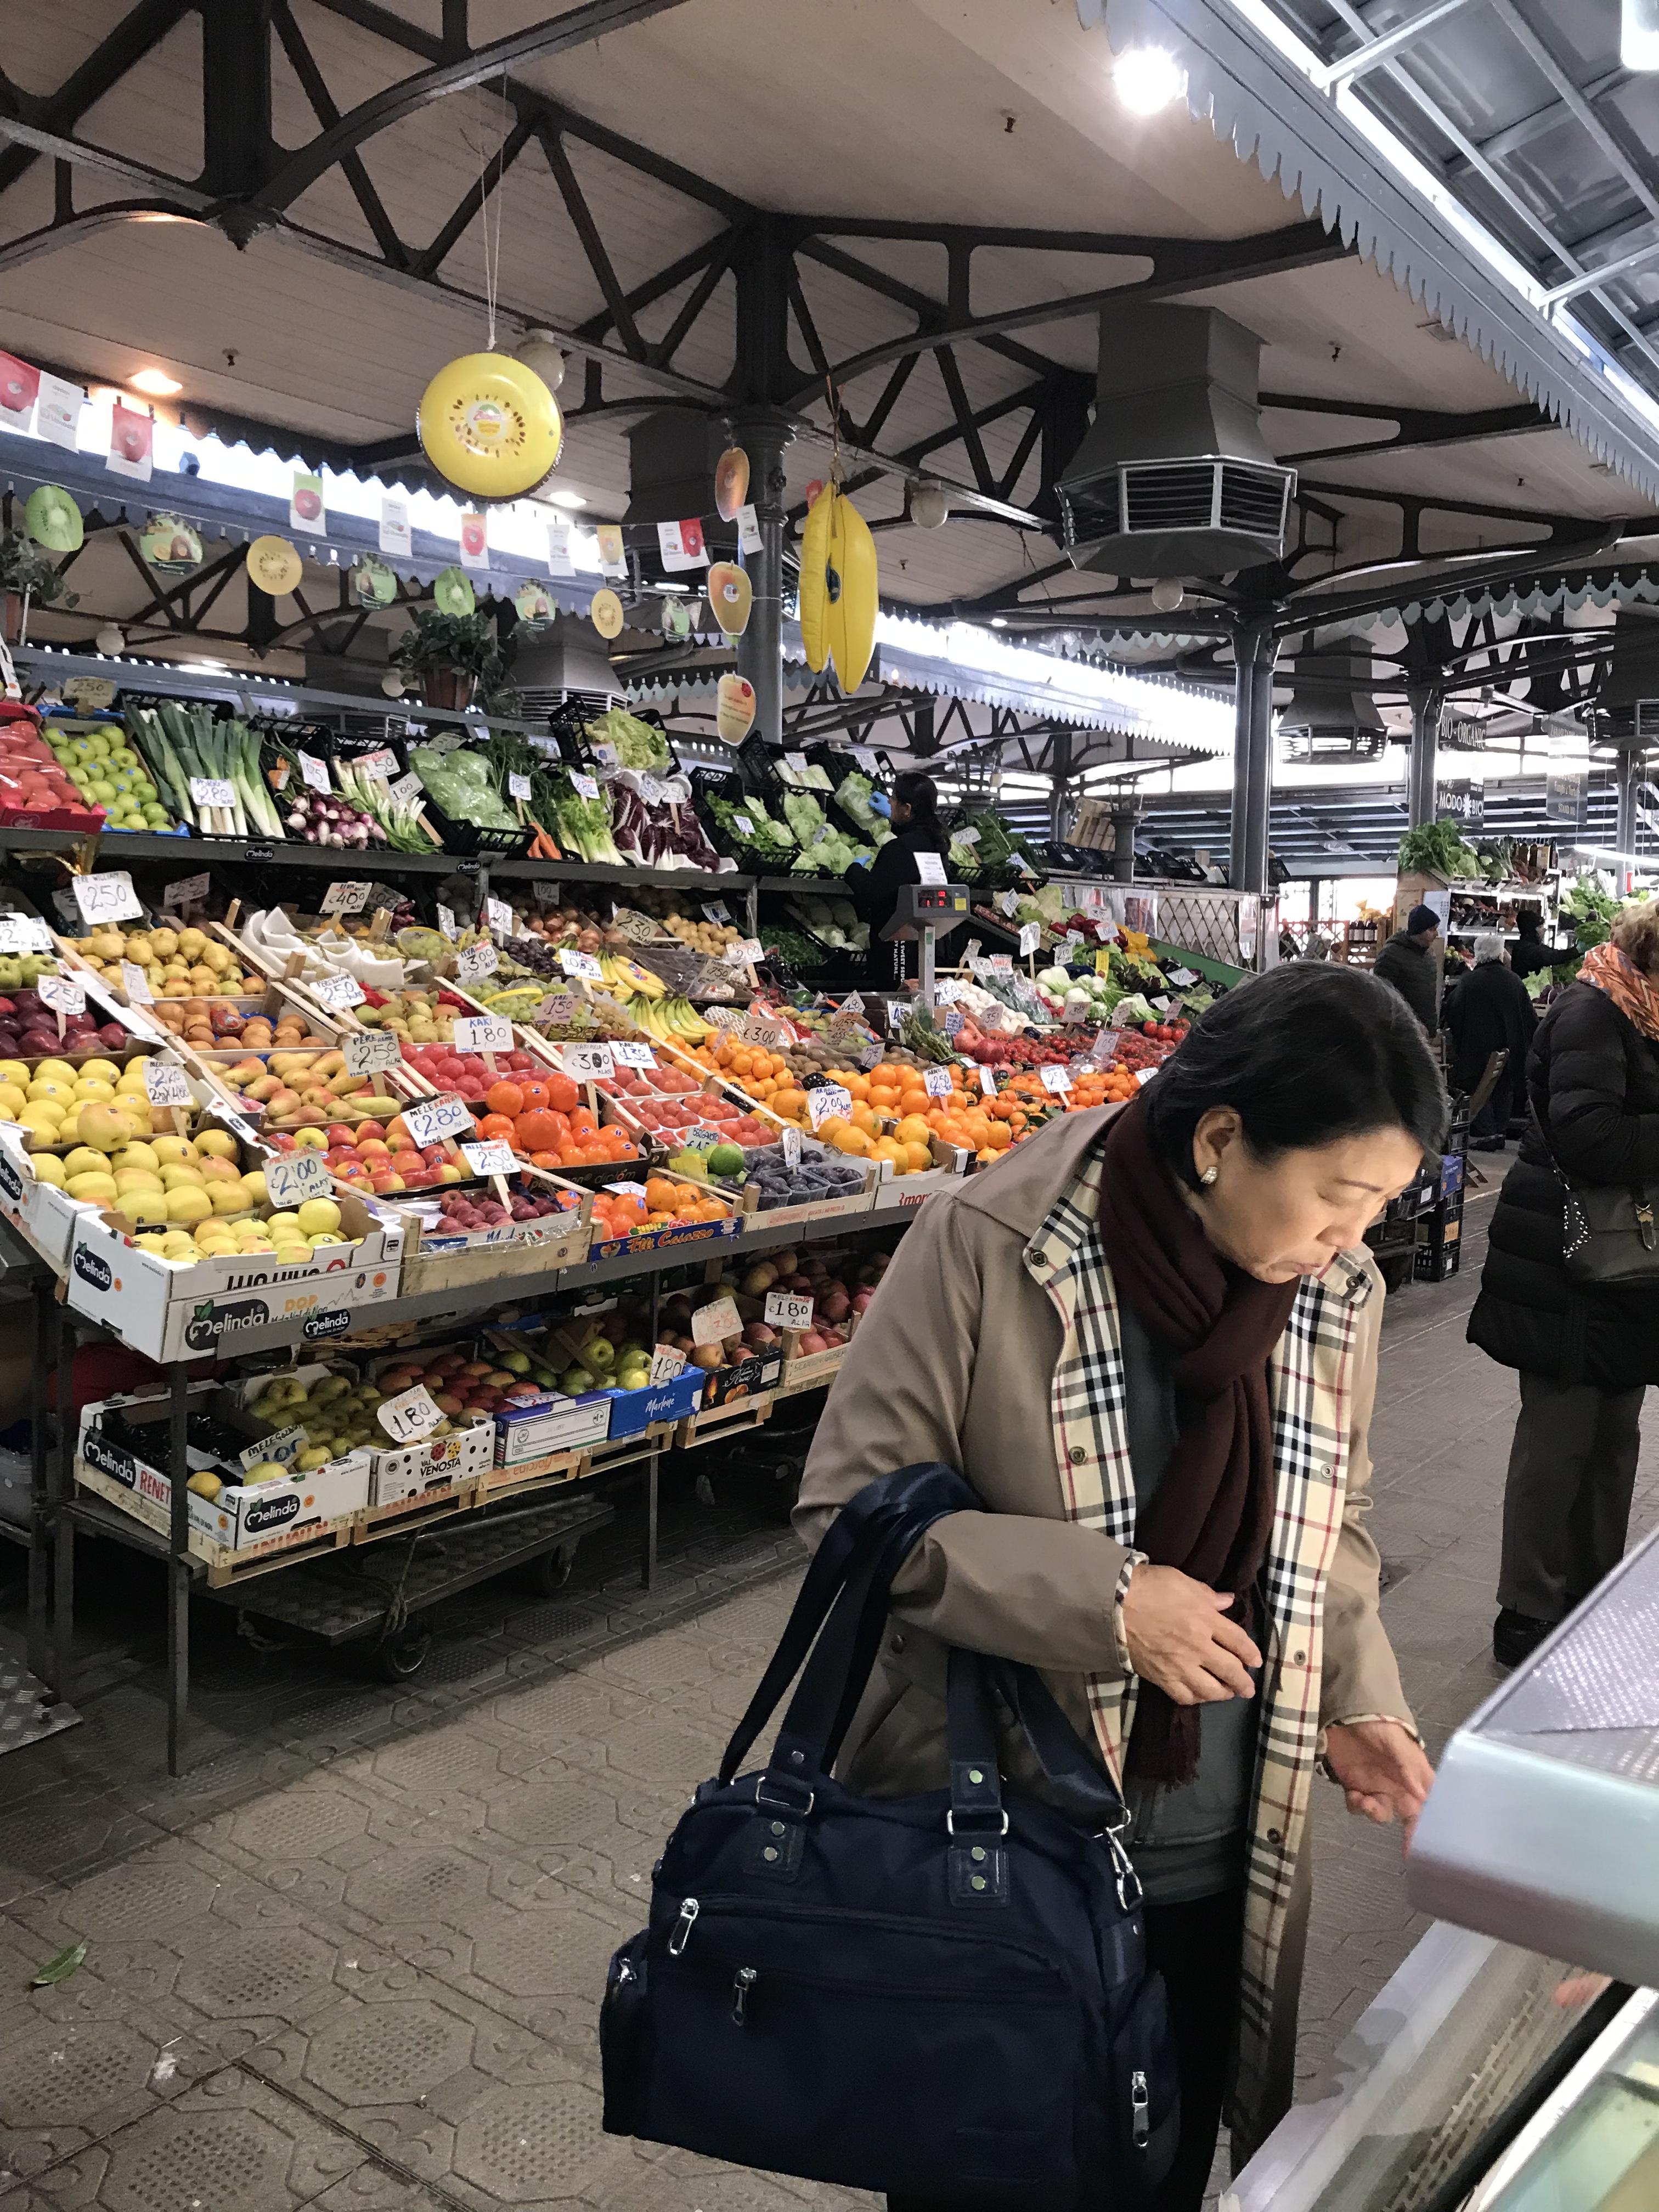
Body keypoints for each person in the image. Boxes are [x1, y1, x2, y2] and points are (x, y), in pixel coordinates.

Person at [795, 963, 1443, 2211]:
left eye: (1375, 1206)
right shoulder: (992, 1242)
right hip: (997, 1833)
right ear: (1219, 1140)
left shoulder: (1329, 1291)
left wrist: (1357, 1695)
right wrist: (1103, 1601)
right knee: (980, 2167)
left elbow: (1334, 1520)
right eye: (1338, 1197)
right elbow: (850, 1510)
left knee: (1160, 2164)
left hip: (1223, 1850)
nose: (1352, 1239)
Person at [1469, 902, 1659, 1669]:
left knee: (1614, 1438)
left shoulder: (1646, 1013)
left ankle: (1588, 1593)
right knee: (1558, 1440)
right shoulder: (1594, 1009)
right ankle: (1528, 1610)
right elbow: (1590, 1136)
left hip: (1627, 1261)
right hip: (1568, 1259)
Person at [843, 771, 950, 988]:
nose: (889, 801)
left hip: (898, 950)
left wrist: (855, 870)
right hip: (929, 945)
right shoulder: (939, 845)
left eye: (894, 798)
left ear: (907, 809)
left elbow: (871, 893)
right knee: (922, 996)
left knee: (898, 999)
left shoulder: (900, 849)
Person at [1445, 932, 1538, 1150]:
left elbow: (1453, 1013)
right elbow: (1530, 1019)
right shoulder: (1514, 981)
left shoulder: (1469, 982)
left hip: (1474, 1052)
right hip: (1510, 1050)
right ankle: (1499, 1131)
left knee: (1478, 1087)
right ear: (1500, 954)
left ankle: (1487, 1132)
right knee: (1503, 1089)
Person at [1372, 902, 1441, 1031]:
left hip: (1425, 1029)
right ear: (1418, 931)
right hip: (1402, 1031)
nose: (1436, 934)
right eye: (1431, 930)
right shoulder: (1391, 955)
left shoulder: (1428, 954)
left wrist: (1432, 1025)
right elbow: (1382, 995)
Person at [1510, 910, 1556, 982]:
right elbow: (1552, 956)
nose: (1544, 930)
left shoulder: (1524, 946)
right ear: (1532, 931)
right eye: (1540, 927)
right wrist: (1574, 952)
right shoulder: (1527, 949)